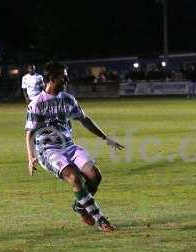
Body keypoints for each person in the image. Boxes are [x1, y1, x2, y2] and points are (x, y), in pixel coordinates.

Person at [25, 62, 124, 233]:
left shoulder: (68, 99)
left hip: (69, 146)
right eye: (63, 75)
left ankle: (80, 206)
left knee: (95, 176)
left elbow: (84, 119)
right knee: (74, 177)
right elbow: (29, 132)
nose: (67, 78)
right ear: (53, 78)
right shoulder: (37, 104)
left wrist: (105, 137)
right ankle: (101, 219)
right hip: (48, 150)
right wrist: (30, 156)